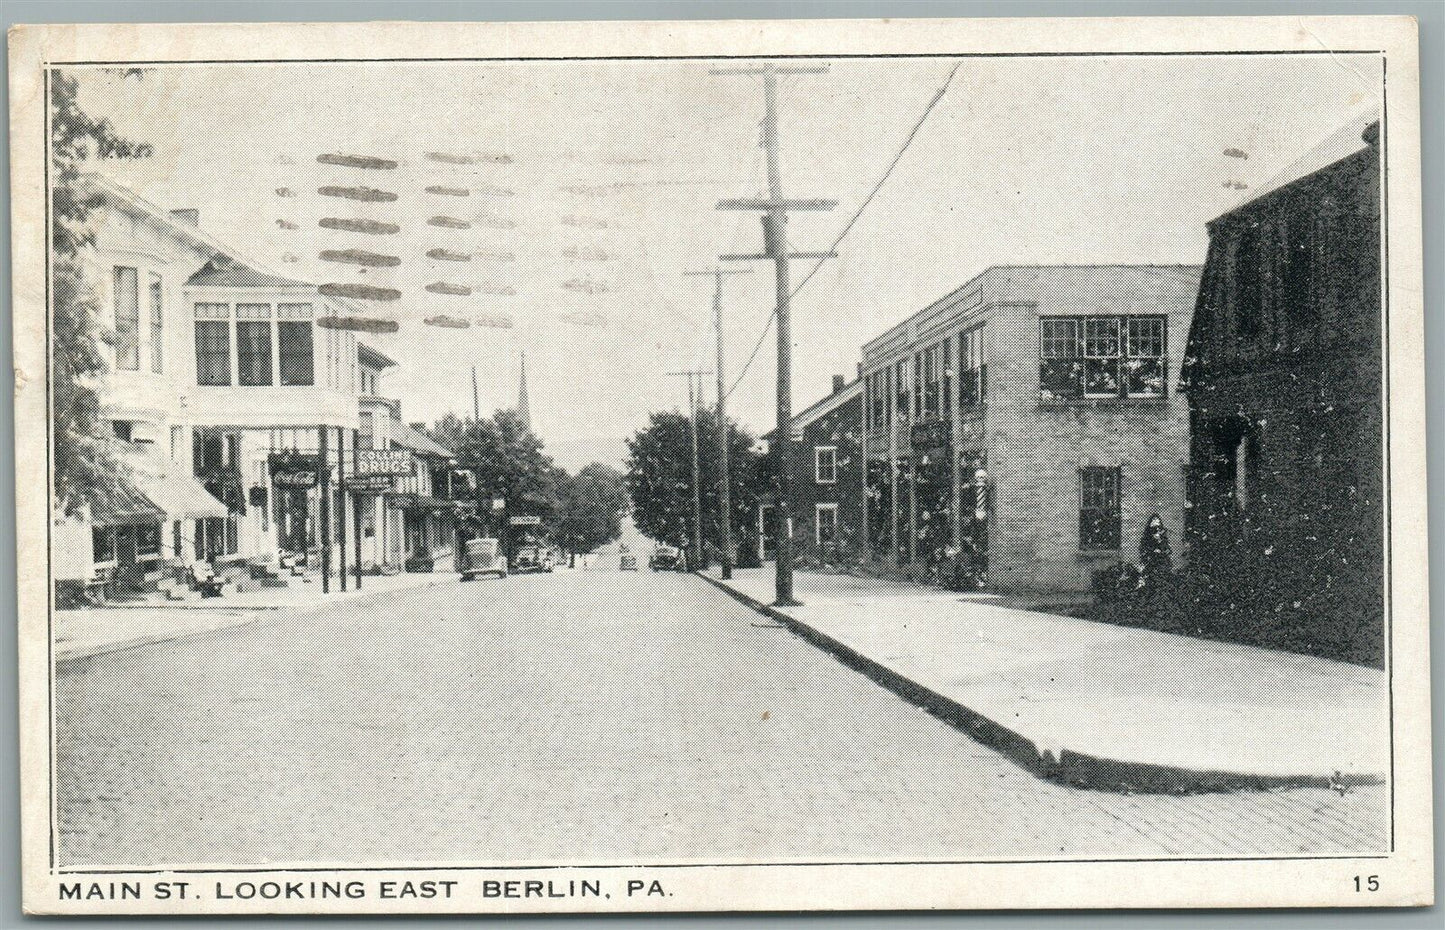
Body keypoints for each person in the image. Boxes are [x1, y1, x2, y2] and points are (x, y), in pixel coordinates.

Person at [1138, 513, 1173, 591]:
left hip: (1162, 562)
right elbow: (1143, 549)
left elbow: (1168, 550)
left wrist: (1160, 541)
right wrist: (1152, 550)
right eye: (1154, 522)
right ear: (1150, 524)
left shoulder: (1162, 536)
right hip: (1150, 561)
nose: (1156, 525)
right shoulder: (1146, 537)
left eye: (1158, 523)